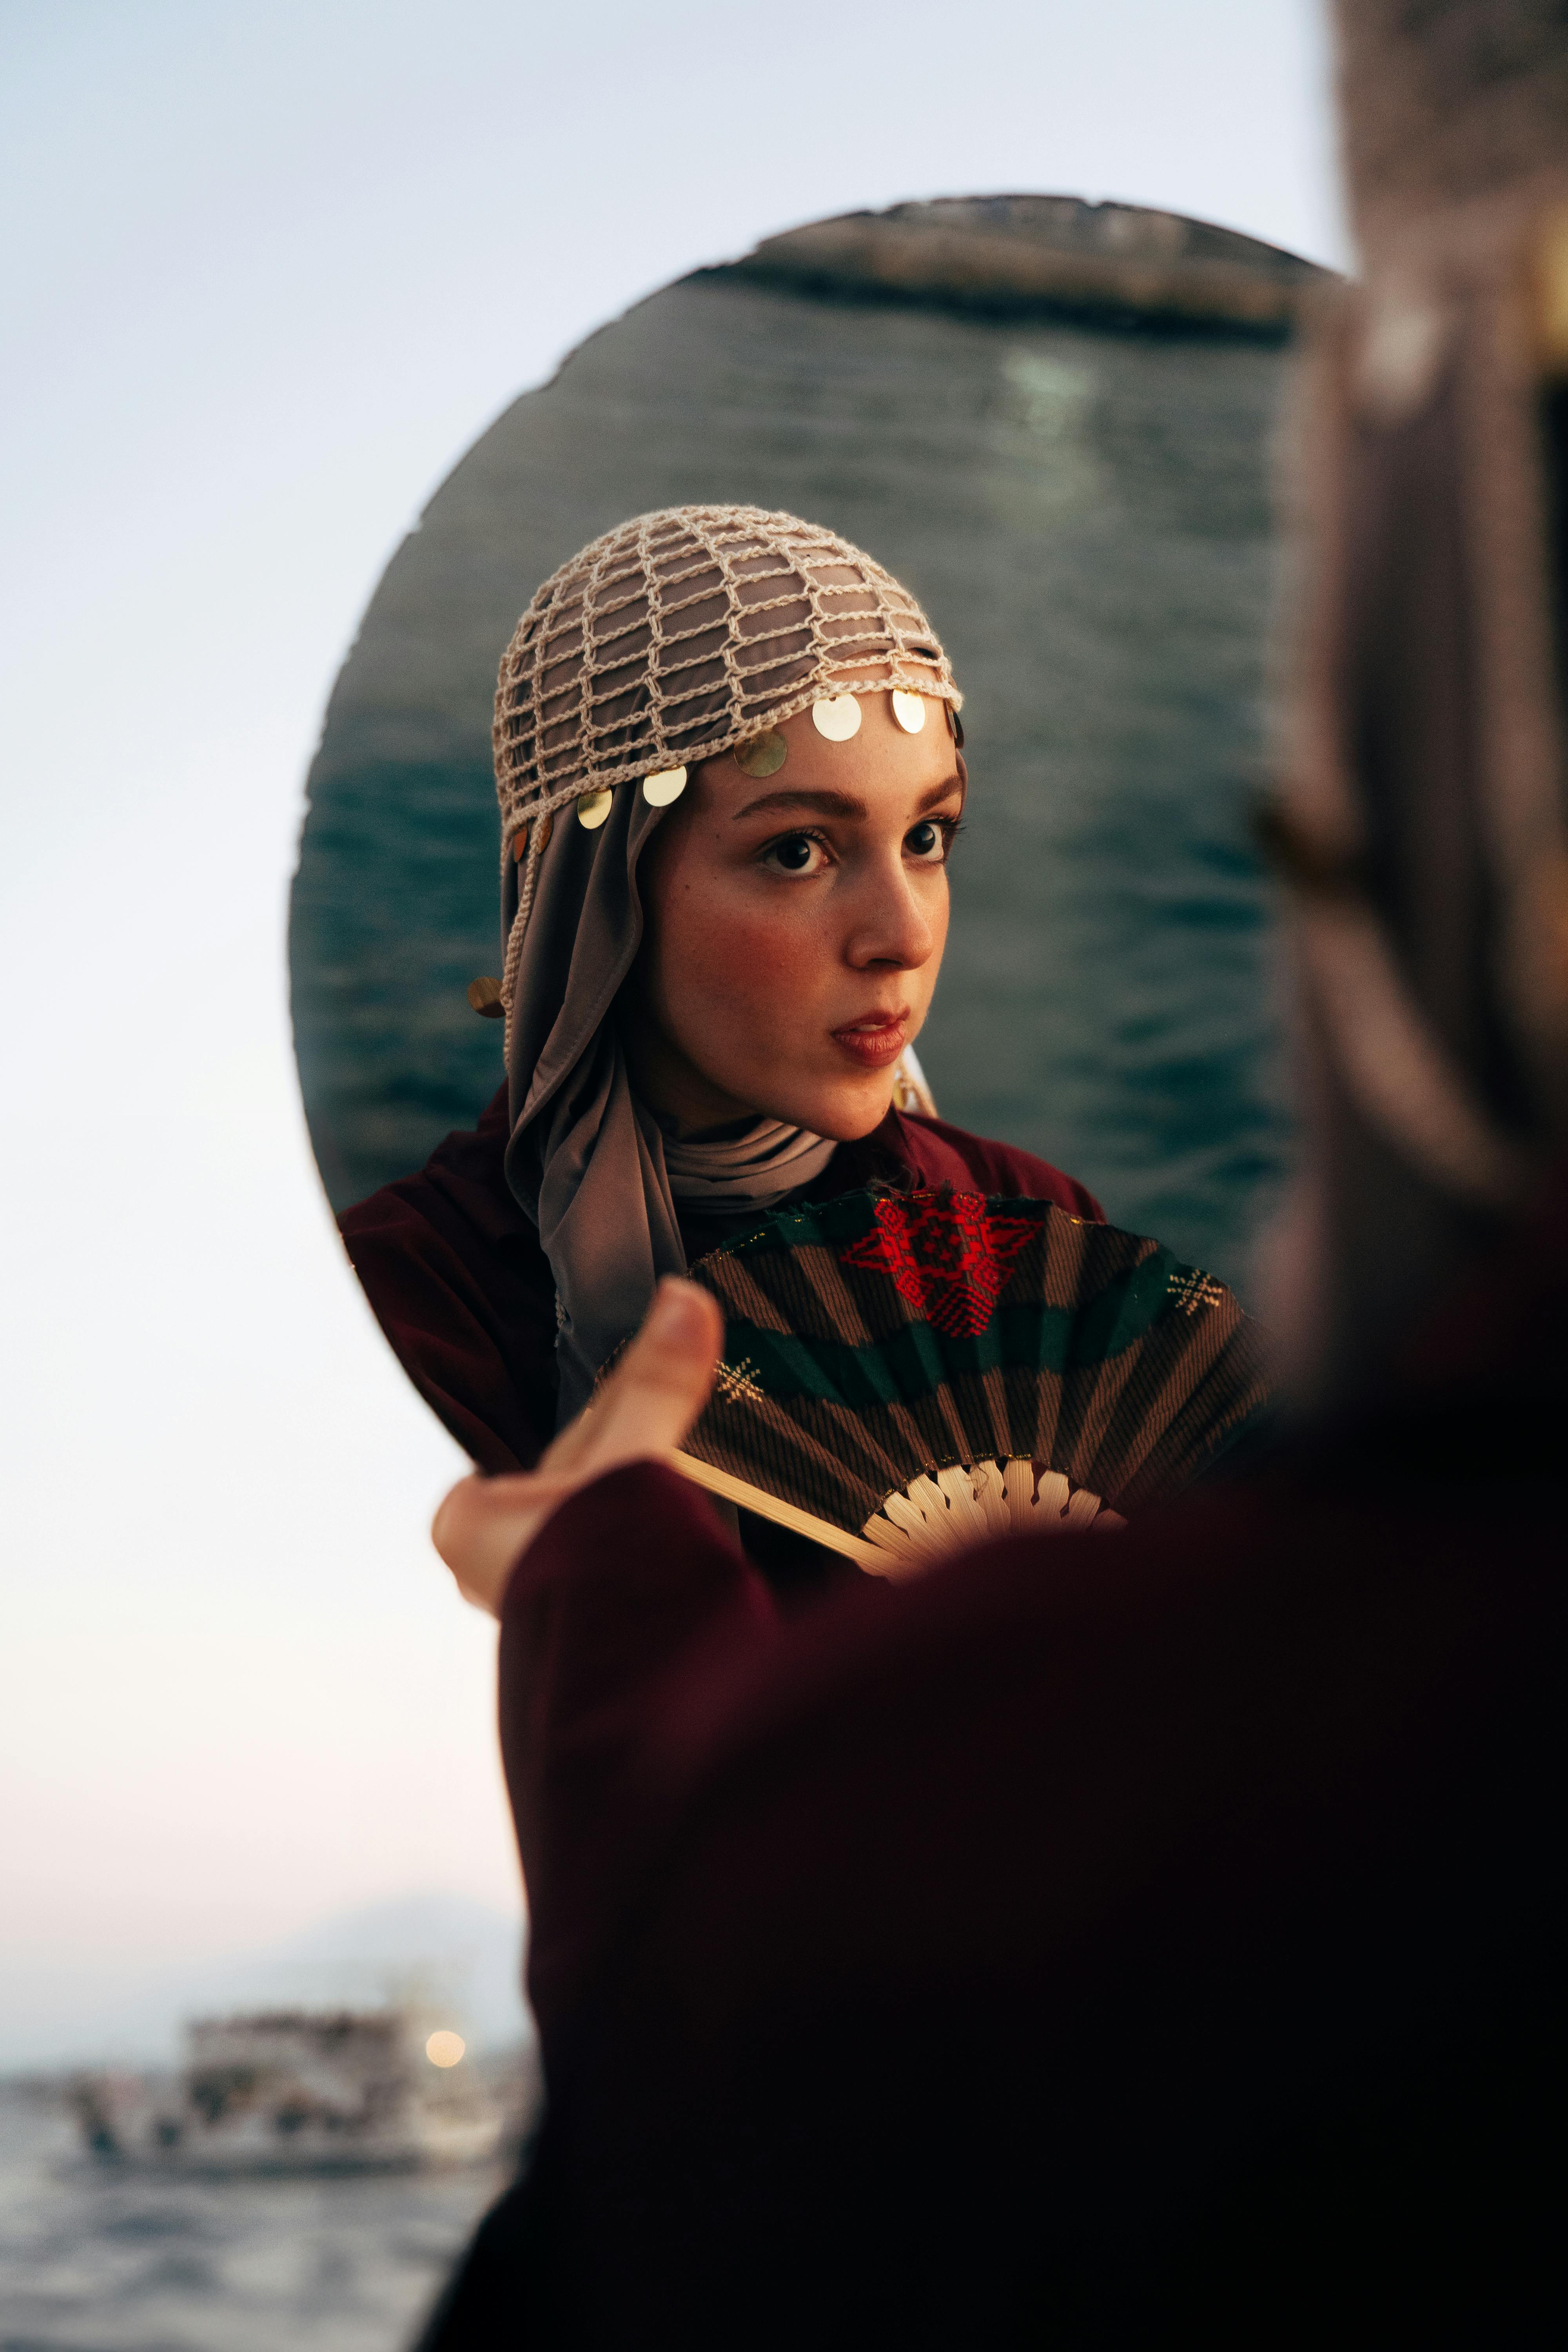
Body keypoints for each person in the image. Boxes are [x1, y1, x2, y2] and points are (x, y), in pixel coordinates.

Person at [340, 506, 1106, 1583]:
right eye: (798, 850)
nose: (907, 934)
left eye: (928, 837)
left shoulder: (1036, 1227)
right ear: (586, 889)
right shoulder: (408, 1302)